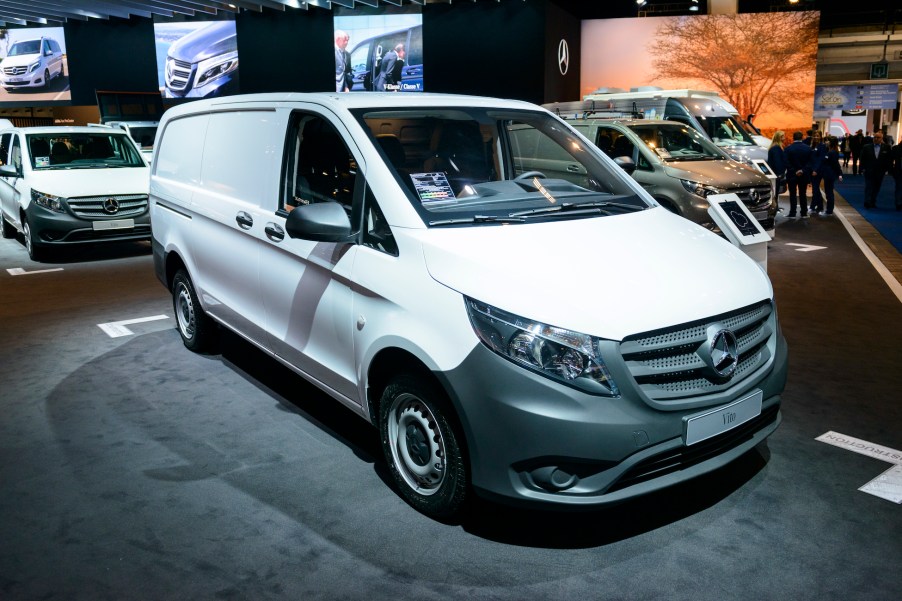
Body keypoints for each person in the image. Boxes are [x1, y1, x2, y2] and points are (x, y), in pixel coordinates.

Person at [784, 131, 813, 218]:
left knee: (792, 194)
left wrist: (794, 170)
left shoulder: (788, 148)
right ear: (802, 138)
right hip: (803, 175)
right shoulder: (808, 148)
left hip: (792, 175)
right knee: (803, 193)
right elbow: (810, 162)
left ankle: (792, 213)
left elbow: (786, 162)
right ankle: (804, 213)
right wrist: (802, 170)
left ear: (793, 138)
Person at [860, 131, 892, 208]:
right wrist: (862, 168)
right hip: (869, 171)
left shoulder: (887, 147)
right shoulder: (866, 147)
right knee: (869, 186)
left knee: (876, 187)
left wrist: (887, 169)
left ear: (882, 139)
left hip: (880, 171)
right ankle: (867, 202)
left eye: (878, 137)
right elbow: (862, 159)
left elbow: (888, 159)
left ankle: (872, 201)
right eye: (875, 137)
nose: (876, 139)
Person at [812, 136, 843, 216]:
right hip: (829, 174)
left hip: (829, 174)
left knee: (829, 193)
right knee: (829, 192)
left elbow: (835, 164)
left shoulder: (831, 152)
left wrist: (840, 173)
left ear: (831, 142)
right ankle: (829, 210)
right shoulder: (832, 151)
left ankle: (829, 211)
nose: (826, 142)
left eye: (828, 141)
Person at [767, 130, 787, 196]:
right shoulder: (776, 148)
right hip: (776, 174)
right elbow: (777, 162)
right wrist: (780, 174)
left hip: (775, 174)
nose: (785, 138)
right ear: (780, 138)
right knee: (775, 193)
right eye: (783, 136)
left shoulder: (775, 147)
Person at [891, 137, 902, 211]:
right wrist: (892, 170)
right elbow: (891, 159)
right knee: (899, 187)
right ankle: (899, 203)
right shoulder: (896, 148)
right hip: (899, 171)